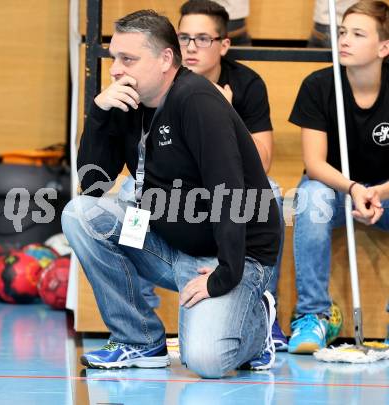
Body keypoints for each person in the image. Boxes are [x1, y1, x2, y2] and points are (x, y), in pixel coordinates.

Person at [62, 9, 281, 377]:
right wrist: (98, 115)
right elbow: (95, 186)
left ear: (165, 59)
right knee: (81, 214)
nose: (115, 69)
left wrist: (224, 275)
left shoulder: (197, 101)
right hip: (167, 245)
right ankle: (138, 339)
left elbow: (231, 191)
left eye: (128, 59)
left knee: (207, 362)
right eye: (114, 57)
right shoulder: (127, 100)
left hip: (230, 257)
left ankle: (257, 324)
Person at [178, 0, 288, 351]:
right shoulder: (167, 82)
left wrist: (224, 114)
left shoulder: (246, 84)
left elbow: (264, 163)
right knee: (128, 198)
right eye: (183, 38)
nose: (190, 47)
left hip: (231, 190)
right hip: (181, 192)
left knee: (269, 192)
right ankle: (140, 330)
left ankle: (263, 306)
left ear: (224, 44)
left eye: (202, 39)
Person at [289, 0, 389, 354]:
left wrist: (379, 190)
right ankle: (313, 315)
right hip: (336, 189)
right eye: (343, 32)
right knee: (311, 196)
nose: (344, 40)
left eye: (358, 34)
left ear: (384, 47)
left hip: (384, 194)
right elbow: (314, 163)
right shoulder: (319, 85)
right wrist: (353, 188)